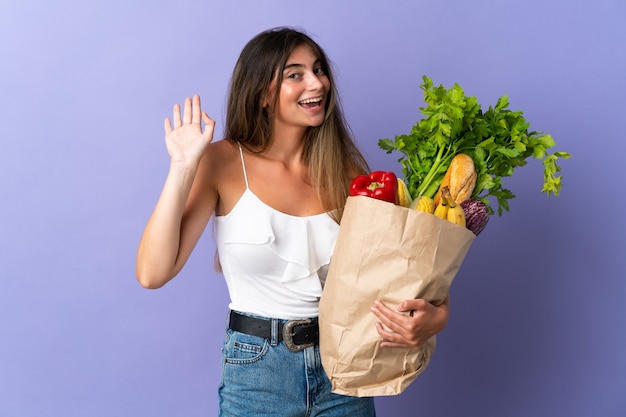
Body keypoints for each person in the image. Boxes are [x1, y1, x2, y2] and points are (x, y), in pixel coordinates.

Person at [136, 26, 450, 417]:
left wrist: (437, 317)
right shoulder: (222, 163)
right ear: (263, 93)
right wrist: (183, 169)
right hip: (258, 374)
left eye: (319, 70)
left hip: (343, 368)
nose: (317, 82)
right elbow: (152, 273)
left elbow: (396, 275)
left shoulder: (348, 171)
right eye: (295, 74)